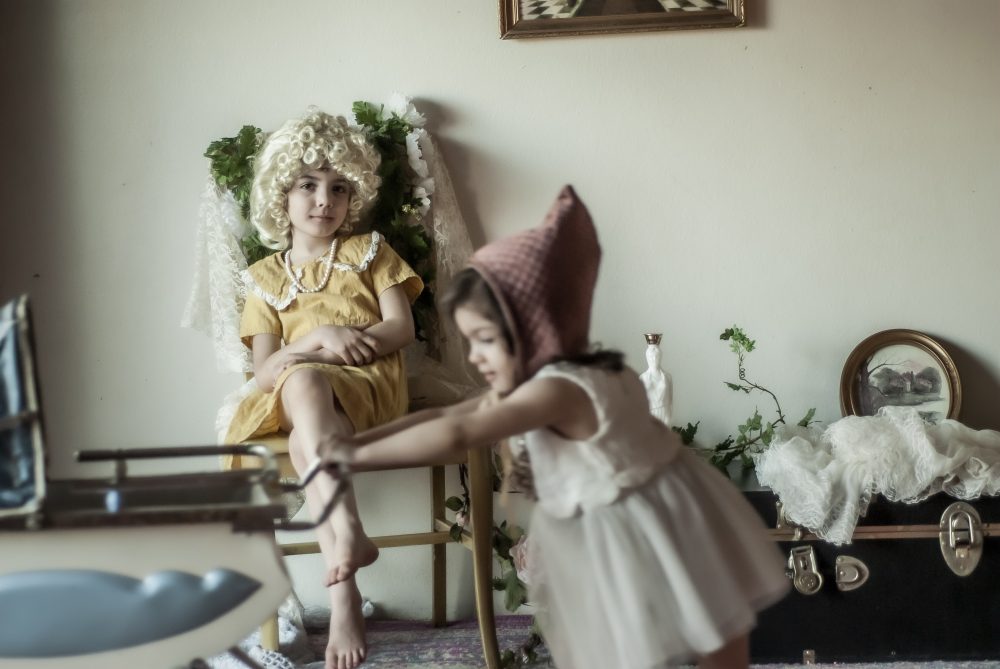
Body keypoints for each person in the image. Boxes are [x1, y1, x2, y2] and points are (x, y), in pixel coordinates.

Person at [338, 186, 790, 669]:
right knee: (688, 635)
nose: (475, 358)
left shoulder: (559, 390)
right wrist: (352, 443)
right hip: (640, 518)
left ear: (535, 329)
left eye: (486, 340)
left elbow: (458, 435)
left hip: (649, 526)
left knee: (693, 634)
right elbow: (451, 416)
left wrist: (350, 458)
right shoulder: (559, 379)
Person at [223, 108, 423, 669]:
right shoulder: (263, 279)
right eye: (307, 186)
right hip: (298, 392)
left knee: (306, 388)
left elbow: (401, 328)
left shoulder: (370, 253)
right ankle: (346, 577)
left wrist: (348, 338)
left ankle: (343, 571)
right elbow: (266, 372)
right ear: (280, 197)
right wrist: (320, 338)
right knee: (302, 383)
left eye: (338, 188)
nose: (323, 201)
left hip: (368, 383)